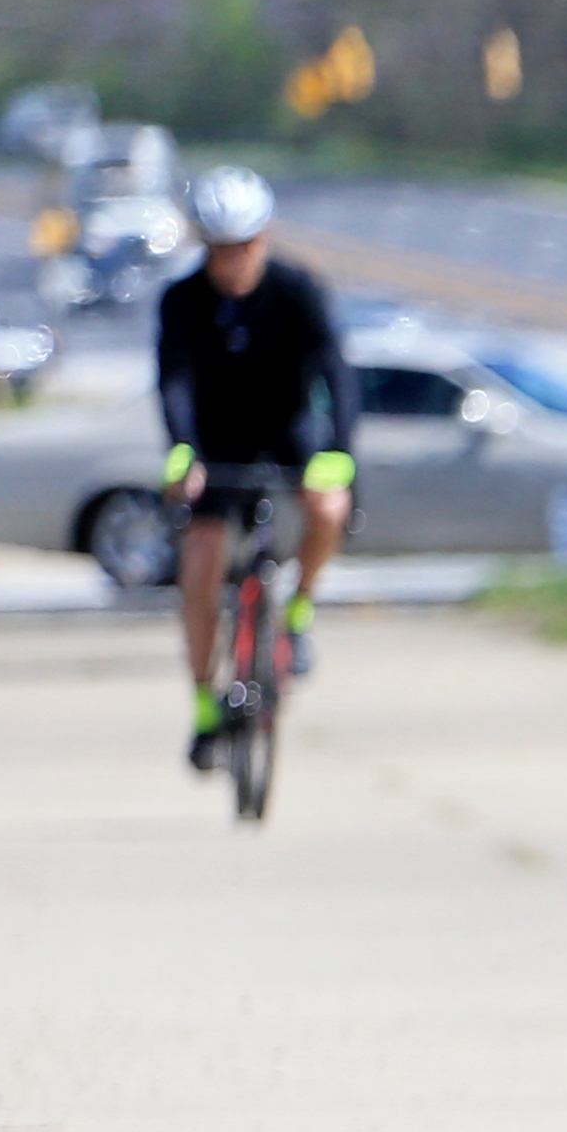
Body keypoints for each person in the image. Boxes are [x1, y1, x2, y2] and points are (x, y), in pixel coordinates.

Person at [157, 166, 356, 770]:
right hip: (218, 443)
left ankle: (299, 611)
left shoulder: (299, 290)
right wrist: (182, 449)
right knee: (200, 569)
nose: (231, 263)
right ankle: (203, 708)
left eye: (242, 247)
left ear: (263, 240)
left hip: (286, 435)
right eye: (219, 250)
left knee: (328, 506)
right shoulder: (183, 300)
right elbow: (173, 382)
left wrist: (338, 453)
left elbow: (338, 374)